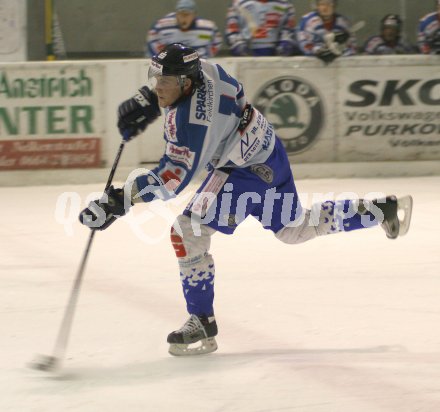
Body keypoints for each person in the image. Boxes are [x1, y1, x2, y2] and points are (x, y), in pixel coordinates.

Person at [79, 43, 413, 356]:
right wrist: (148, 101)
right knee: (293, 229)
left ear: (185, 82)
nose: (158, 86)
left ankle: (202, 323)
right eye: (155, 78)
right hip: (267, 151)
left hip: (241, 171)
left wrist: (118, 201)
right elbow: (185, 89)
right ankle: (380, 210)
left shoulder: (194, 123)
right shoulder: (203, 70)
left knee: (187, 231)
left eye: (164, 81)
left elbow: (173, 179)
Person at [146, 0, 222, 58]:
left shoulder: (207, 29)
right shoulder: (162, 27)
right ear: (176, 14)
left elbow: (217, 41)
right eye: (180, 14)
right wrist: (165, 58)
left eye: (186, 15)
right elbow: (152, 39)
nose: (183, 18)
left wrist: (203, 56)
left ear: (194, 15)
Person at [225, 0, 300, 56]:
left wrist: (286, 43)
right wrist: (238, 45)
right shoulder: (238, 4)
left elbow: (289, 29)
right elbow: (232, 30)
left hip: (277, 58)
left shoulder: (285, 4)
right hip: (246, 57)